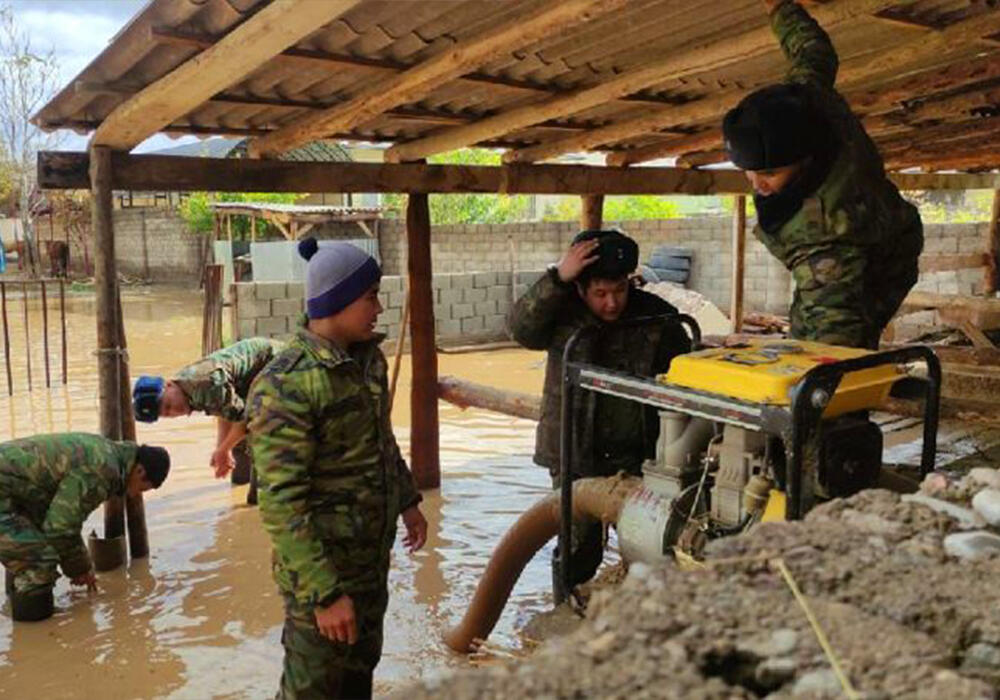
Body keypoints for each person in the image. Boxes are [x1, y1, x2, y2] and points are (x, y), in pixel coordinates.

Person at [247, 237, 427, 700]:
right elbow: (281, 504)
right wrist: (325, 595)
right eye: (370, 297)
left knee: (356, 679)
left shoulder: (368, 361)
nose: (378, 308)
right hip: (321, 580)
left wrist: (407, 501)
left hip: (369, 567)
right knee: (313, 688)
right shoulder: (285, 384)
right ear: (338, 300)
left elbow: (380, 441)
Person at [721, 0, 923, 350]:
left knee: (836, 351)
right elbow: (813, 51)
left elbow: (835, 335)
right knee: (804, 335)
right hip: (876, 224)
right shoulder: (808, 101)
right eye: (749, 172)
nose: (757, 184)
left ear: (805, 159)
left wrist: (815, 388)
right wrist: (780, 8)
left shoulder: (822, 235)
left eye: (770, 173)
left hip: (885, 261)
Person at [508, 229, 691, 597]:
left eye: (620, 291)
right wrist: (556, 277)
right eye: (600, 294)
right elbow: (519, 329)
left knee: (649, 541)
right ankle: (565, 608)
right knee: (579, 550)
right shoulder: (561, 313)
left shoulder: (656, 316)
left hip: (641, 454)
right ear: (580, 289)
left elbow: (687, 371)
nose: (612, 304)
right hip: (575, 452)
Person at [0, 433, 170, 621]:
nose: (134, 495)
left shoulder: (106, 451)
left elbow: (54, 519)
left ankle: (13, 618)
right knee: (39, 565)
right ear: (139, 471)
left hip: (11, 494)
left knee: (29, 543)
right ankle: (33, 639)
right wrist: (80, 569)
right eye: (141, 489)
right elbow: (60, 528)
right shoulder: (103, 470)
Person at [132, 336, 284, 503]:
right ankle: (241, 497)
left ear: (169, 385)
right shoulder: (185, 390)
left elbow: (247, 421)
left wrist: (223, 449)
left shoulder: (203, 384)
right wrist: (222, 447)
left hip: (278, 367)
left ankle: (261, 500)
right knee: (238, 448)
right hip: (250, 384)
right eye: (167, 414)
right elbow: (224, 411)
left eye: (168, 405)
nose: (174, 411)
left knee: (260, 440)